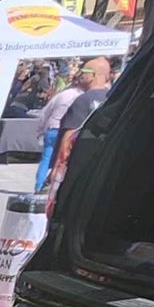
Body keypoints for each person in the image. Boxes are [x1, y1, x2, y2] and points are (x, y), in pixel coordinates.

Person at [46, 54, 114, 207]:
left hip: (74, 164)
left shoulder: (83, 100)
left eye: (84, 71)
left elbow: (68, 136)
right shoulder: (113, 99)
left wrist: (57, 168)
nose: (80, 75)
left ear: (93, 75)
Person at [36, 63, 83, 190]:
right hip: (67, 130)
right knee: (62, 160)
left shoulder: (62, 95)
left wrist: (40, 130)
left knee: (46, 159)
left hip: (52, 128)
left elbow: (45, 112)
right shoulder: (81, 96)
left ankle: (39, 186)